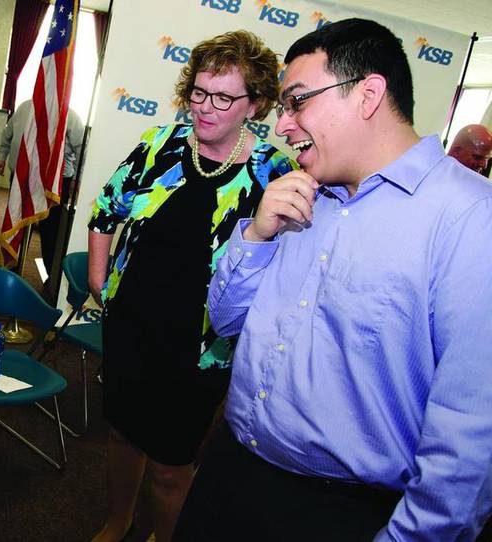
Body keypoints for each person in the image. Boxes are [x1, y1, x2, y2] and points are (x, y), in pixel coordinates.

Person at [174, 18, 492, 541]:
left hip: (339, 515)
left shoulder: (469, 221)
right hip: (229, 469)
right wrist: (254, 236)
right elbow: (227, 320)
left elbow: (467, 453)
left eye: (297, 102)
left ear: (368, 94)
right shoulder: (297, 192)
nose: (282, 125)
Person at [87, 31, 296, 542]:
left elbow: (285, 273)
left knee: (171, 466)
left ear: (258, 104)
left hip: (200, 349)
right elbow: (105, 209)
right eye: (199, 92)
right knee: (120, 435)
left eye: (223, 97)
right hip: (131, 326)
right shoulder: (160, 143)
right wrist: (99, 281)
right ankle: (119, 521)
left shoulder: (275, 171)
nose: (205, 107)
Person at [0, 99, 84, 277]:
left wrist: (77, 177)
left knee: (49, 232)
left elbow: (82, 147)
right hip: (22, 177)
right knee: (17, 222)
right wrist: (1, 157)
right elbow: (7, 135)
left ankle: (47, 277)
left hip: (54, 183)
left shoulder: (70, 115)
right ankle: (11, 270)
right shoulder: (24, 108)